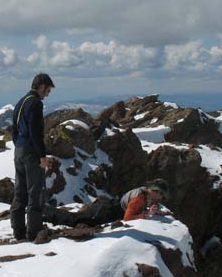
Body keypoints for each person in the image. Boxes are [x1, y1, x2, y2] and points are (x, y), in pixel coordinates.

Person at [10, 73, 55, 241]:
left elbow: (14, 129)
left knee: (20, 192)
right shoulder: (35, 103)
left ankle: (18, 231)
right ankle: (34, 233)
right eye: (48, 90)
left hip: (19, 151)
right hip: (31, 152)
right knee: (35, 192)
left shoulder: (20, 102)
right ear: (41, 86)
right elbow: (36, 132)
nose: (47, 94)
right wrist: (42, 156)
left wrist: (19, 145)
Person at [43, 178, 170, 227]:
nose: (159, 196)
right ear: (151, 189)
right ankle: (44, 211)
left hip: (109, 207)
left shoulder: (147, 195)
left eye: (161, 195)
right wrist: (146, 215)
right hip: (106, 212)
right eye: (158, 192)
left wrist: (151, 211)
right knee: (75, 220)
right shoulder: (139, 198)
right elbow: (128, 218)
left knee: (77, 218)